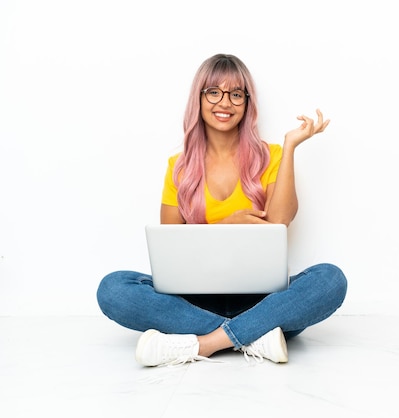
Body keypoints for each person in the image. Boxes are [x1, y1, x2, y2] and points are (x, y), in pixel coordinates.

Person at [96, 53, 348, 367]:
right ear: (198, 99)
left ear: (247, 102)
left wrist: (291, 145)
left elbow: (280, 220)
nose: (224, 103)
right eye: (214, 92)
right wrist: (228, 223)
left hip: (261, 299)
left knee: (329, 280)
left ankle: (205, 343)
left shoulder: (272, 155)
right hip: (194, 301)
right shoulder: (178, 168)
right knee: (113, 288)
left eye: (236, 94)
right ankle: (254, 336)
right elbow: (170, 251)